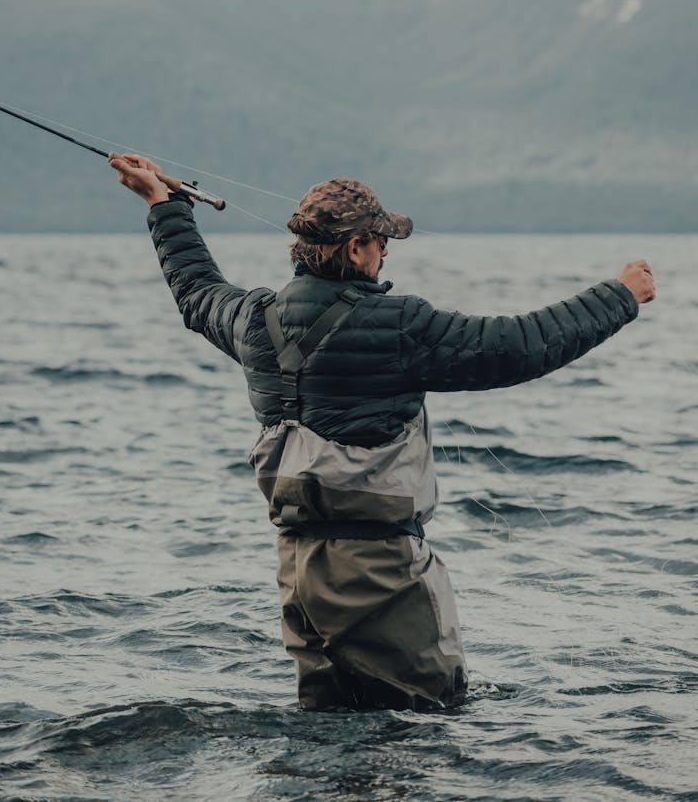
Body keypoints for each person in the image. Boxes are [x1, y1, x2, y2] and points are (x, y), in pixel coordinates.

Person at [109, 152, 655, 711]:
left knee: (328, 738)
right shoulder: (399, 325)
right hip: (381, 575)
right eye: (381, 241)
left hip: (298, 571)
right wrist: (618, 296)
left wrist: (164, 206)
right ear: (356, 248)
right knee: (422, 725)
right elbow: (518, 346)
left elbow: (196, 293)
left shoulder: (254, 320)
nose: (385, 251)